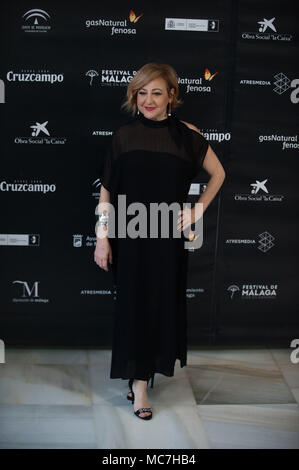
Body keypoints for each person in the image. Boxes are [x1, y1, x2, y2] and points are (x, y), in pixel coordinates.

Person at [94, 62, 226, 420]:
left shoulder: (188, 135)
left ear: (172, 96)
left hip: (167, 237)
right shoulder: (124, 135)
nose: (148, 100)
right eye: (141, 92)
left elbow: (219, 174)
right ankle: (138, 387)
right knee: (134, 308)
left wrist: (197, 210)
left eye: (156, 92)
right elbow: (106, 194)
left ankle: (148, 373)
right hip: (130, 236)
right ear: (134, 96)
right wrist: (102, 238)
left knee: (160, 307)